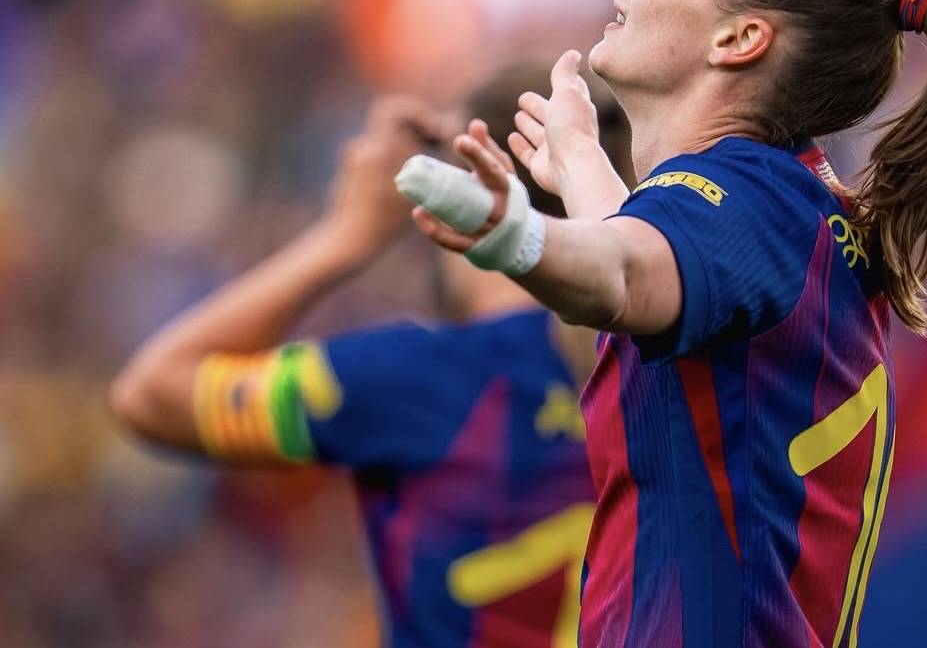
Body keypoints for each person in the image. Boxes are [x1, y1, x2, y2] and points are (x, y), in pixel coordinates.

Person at [410, 0, 927, 648]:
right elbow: (643, 268)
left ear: (740, 37)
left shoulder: (751, 200)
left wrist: (512, 235)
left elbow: (622, 276)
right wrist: (584, 164)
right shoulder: (781, 205)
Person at [109, 63, 632, 648]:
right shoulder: (665, 363)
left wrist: (344, 236)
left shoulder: (417, 377)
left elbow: (149, 395)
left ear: (461, 192)